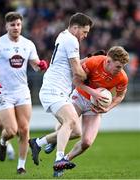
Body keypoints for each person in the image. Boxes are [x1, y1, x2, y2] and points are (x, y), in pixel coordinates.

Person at [35, 46, 129, 177]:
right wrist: (93, 92)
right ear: (108, 61)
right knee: (68, 123)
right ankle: (54, 140)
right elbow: (75, 80)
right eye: (118, 66)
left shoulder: (122, 77)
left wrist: (108, 107)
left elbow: (120, 96)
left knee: (87, 142)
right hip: (79, 97)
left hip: (95, 107)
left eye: (122, 67)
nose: (120, 70)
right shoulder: (94, 62)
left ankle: (65, 160)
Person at [28, 12, 93, 176]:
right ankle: (59, 159)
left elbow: (73, 64)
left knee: (76, 131)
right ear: (75, 27)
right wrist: (89, 76)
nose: (85, 36)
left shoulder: (63, 35)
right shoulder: (72, 40)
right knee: (70, 121)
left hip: (58, 90)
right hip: (54, 89)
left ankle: (38, 142)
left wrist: (90, 59)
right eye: (84, 32)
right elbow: (77, 71)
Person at [0, 12, 48, 174]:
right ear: (6, 26)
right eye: (12, 25)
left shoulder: (28, 44)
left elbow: (34, 65)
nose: (15, 27)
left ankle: (21, 166)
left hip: (22, 91)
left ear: (21, 25)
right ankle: (3, 141)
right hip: (4, 92)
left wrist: (40, 65)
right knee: (11, 130)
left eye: (18, 24)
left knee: (24, 130)